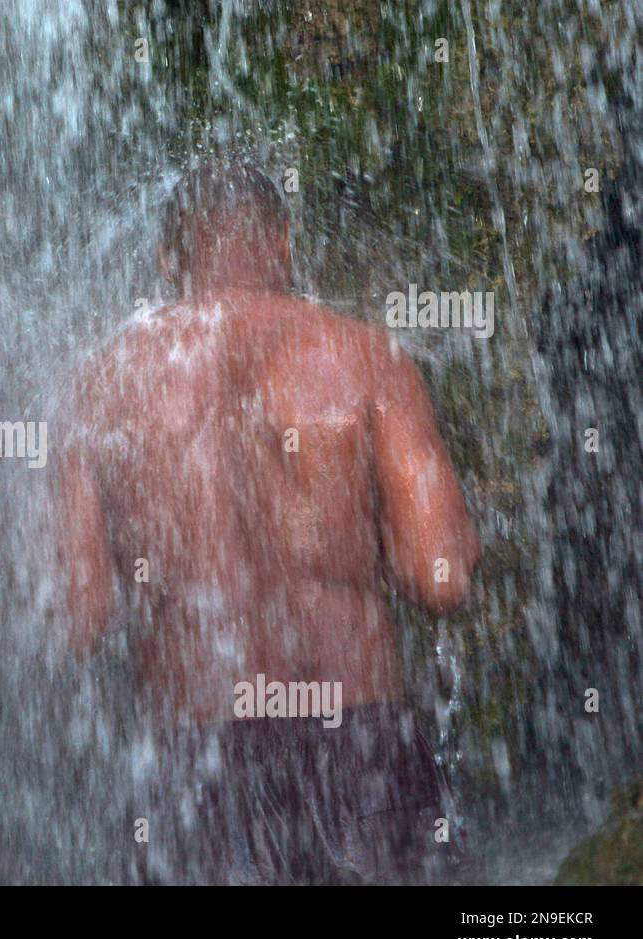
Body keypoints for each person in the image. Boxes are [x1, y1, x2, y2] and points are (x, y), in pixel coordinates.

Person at [53, 161, 480, 883]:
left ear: (166, 258)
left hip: (193, 766)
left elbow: (79, 618)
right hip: (356, 744)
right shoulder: (368, 359)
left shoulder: (97, 388)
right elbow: (439, 581)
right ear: (283, 241)